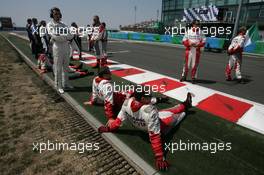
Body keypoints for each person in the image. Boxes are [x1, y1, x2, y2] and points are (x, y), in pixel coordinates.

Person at [98, 91, 192, 171]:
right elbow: (154, 135)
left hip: (144, 125)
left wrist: (108, 128)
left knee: (166, 111)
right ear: (142, 99)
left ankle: (184, 105)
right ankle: (186, 106)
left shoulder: (127, 103)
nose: (150, 98)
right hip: (162, 126)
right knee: (179, 115)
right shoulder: (150, 110)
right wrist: (159, 157)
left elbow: (118, 121)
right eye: (149, 97)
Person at [84, 66, 169, 125]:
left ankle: (155, 98)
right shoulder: (107, 86)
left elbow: (94, 92)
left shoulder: (95, 79)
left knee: (131, 90)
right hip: (120, 100)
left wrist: (92, 101)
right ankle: (160, 99)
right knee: (138, 96)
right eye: (109, 73)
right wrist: (110, 117)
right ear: (105, 75)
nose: (111, 74)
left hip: (116, 96)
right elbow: (108, 102)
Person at [47, 7, 74, 94]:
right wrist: (64, 37)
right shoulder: (50, 24)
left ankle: (66, 83)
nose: (57, 16)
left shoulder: (63, 24)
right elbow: (54, 36)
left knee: (66, 67)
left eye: (58, 14)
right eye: (55, 14)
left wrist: (62, 37)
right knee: (58, 67)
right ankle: (58, 85)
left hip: (66, 47)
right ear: (52, 15)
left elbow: (71, 35)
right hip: (57, 48)